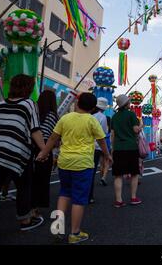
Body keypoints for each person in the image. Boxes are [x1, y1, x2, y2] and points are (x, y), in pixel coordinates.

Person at [37, 93, 111, 244]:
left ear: (77, 103)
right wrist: (107, 155)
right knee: (79, 198)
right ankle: (75, 233)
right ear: (92, 107)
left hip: (64, 163)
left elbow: (53, 138)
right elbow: (101, 140)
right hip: (83, 164)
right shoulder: (92, 120)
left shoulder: (66, 118)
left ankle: (57, 229)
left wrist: (43, 153)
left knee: (64, 193)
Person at [0, 75, 46, 244]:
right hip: (15, 153)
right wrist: (44, 150)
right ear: (28, 88)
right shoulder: (29, 104)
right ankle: (25, 221)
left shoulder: (0, 104)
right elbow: (35, 130)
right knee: (24, 185)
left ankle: (24, 219)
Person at [111, 95, 142, 208]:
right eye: (129, 102)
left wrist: (113, 149)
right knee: (134, 173)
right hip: (131, 147)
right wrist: (141, 125)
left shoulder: (114, 117)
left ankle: (119, 200)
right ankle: (133, 198)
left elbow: (113, 135)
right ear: (126, 104)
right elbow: (136, 130)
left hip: (118, 148)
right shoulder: (131, 114)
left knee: (118, 175)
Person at [32, 90, 59, 218]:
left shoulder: (34, 112)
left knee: (30, 179)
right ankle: (35, 209)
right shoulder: (52, 116)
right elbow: (53, 138)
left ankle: (27, 207)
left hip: (30, 148)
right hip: (45, 149)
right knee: (42, 180)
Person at [88, 98, 109, 204]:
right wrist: (107, 153)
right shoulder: (102, 117)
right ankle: (89, 196)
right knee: (91, 171)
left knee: (84, 171)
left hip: (86, 147)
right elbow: (103, 133)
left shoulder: (89, 115)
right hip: (96, 147)